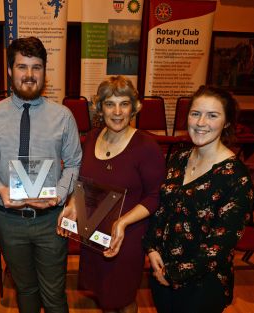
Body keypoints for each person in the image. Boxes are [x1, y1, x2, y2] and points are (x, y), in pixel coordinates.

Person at [0, 36, 82, 313]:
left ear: (45, 71)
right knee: (25, 290)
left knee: (54, 293)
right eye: (22, 67)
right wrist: (0, 189)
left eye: (37, 67)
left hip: (51, 220)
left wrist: (59, 195)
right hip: (9, 221)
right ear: (10, 71)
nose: (30, 75)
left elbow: (74, 163)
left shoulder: (63, 116)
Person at [143, 85, 254, 313]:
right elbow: (161, 210)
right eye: (196, 113)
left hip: (202, 287)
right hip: (161, 273)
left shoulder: (236, 177)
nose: (201, 122)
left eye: (212, 115)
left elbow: (220, 246)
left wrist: (173, 274)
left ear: (227, 123)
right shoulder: (179, 159)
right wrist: (152, 250)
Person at [59, 76, 165, 313]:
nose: (117, 112)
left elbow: (155, 196)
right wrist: (73, 205)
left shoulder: (146, 146)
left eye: (124, 103)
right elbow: (83, 182)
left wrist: (123, 222)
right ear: (100, 107)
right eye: (110, 104)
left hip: (125, 237)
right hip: (94, 232)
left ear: (134, 107)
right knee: (103, 295)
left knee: (123, 299)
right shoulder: (92, 138)